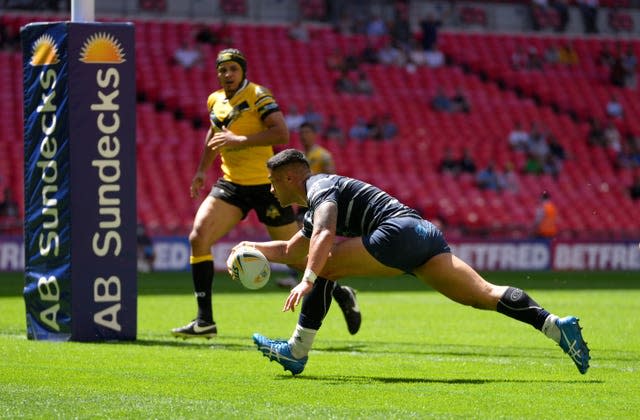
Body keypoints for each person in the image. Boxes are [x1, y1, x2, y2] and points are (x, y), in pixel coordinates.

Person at [242, 149, 589, 376]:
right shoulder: (313, 203)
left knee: (326, 266)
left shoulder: (319, 186)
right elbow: (291, 250)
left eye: (273, 182)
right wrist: (248, 248)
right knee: (482, 294)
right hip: (422, 232)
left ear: (290, 178)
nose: (271, 191)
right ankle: (555, 326)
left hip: (395, 232)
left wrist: (307, 279)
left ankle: (296, 350)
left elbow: (325, 233)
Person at [171, 49, 361, 339]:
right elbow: (214, 135)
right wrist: (201, 171)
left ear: (243, 71)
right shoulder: (215, 100)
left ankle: (341, 293)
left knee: (297, 257)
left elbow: (281, 134)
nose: (227, 75)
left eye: (233, 69)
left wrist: (240, 140)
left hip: (267, 186)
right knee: (198, 238)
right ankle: (204, 320)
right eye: (223, 70)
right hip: (231, 184)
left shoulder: (259, 96)